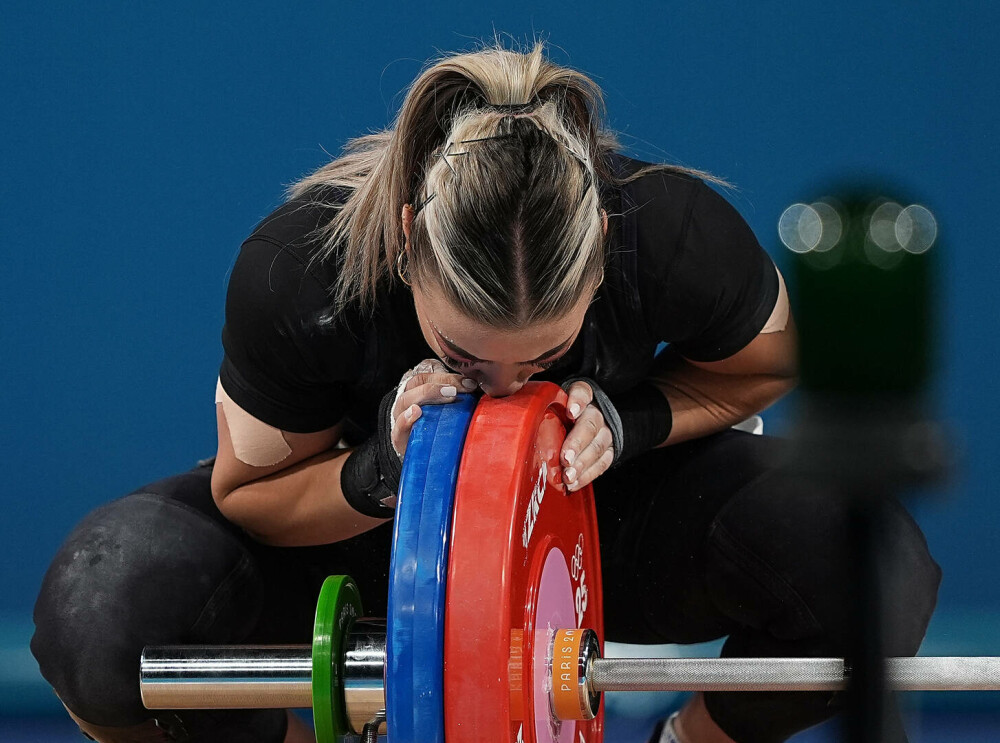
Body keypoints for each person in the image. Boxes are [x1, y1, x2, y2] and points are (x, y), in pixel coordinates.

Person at [31, 41, 940, 743]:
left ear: (595, 271)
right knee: (100, 621)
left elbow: (769, 365)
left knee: (874, 562)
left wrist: (632, 420)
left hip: (585, 526)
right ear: (405, 240)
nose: (505, 387)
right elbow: (250, 495)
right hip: (353, 543)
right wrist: (380, 471)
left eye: (546, 354)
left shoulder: (664, 233)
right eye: (464, 353)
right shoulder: (300, 271)